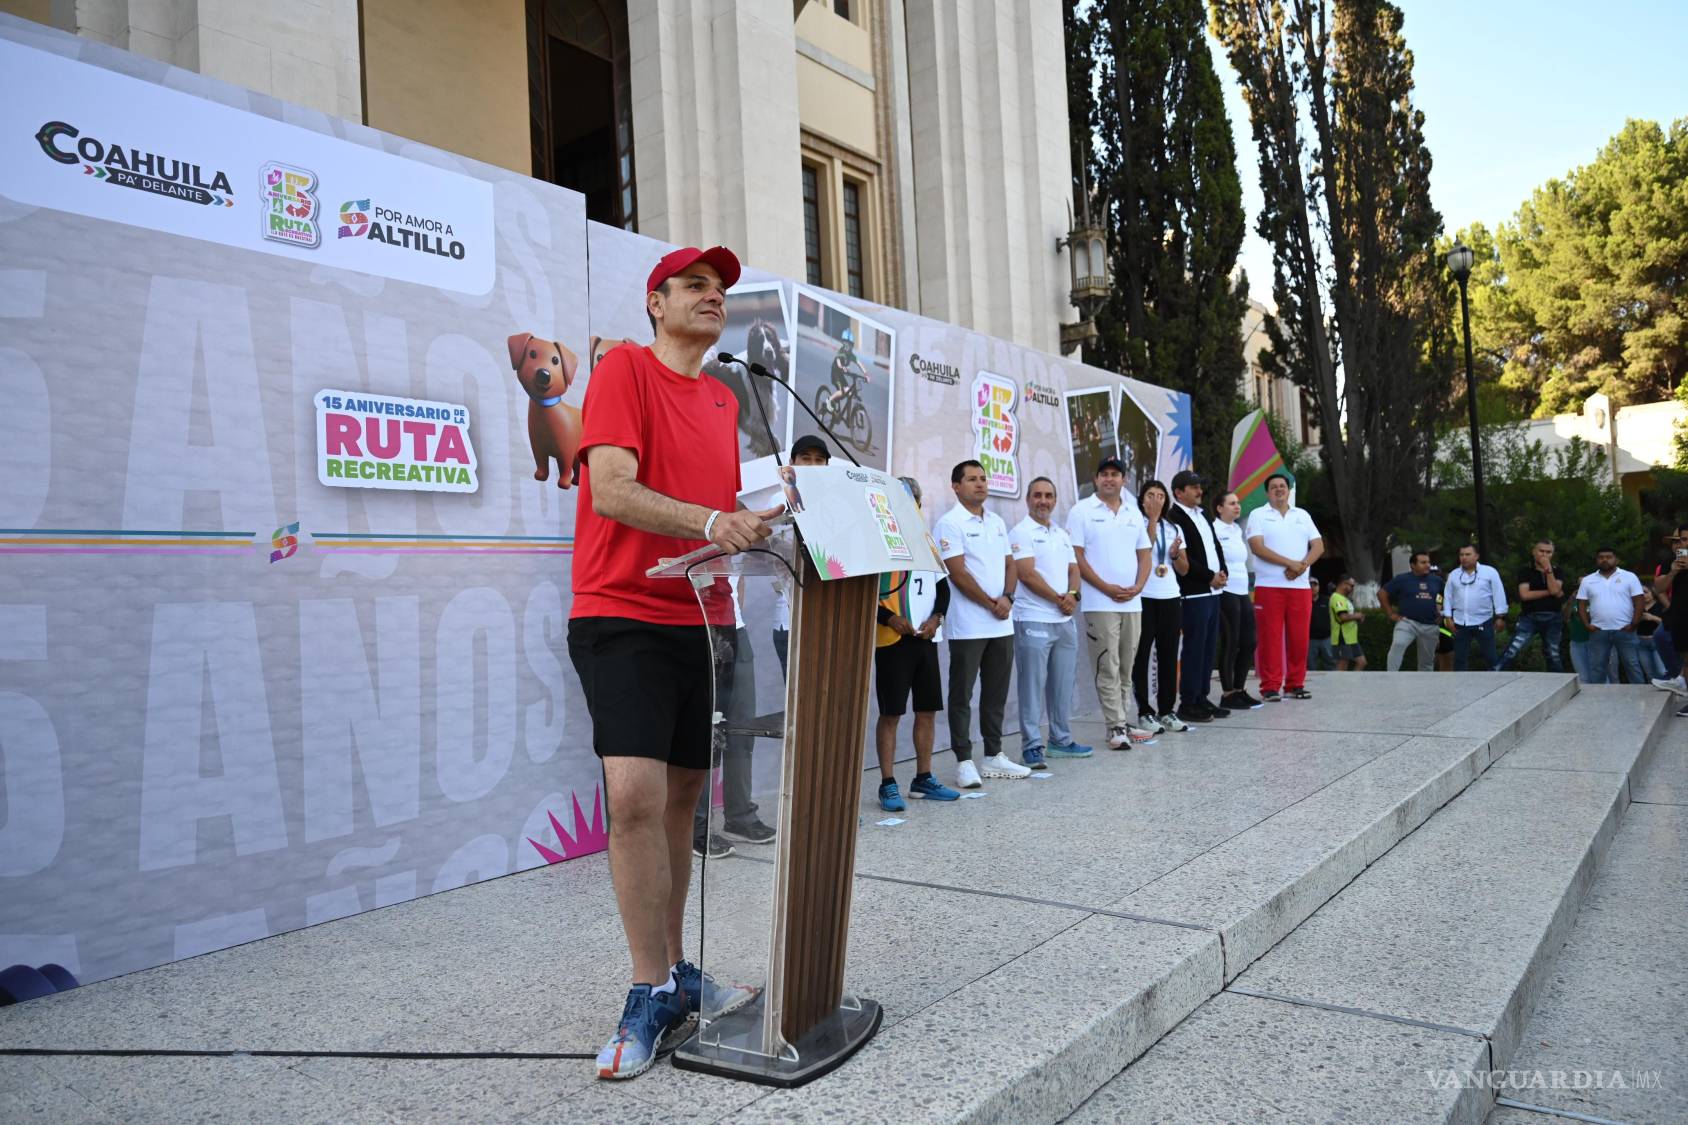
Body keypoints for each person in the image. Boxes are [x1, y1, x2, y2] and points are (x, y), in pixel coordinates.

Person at [566, 246, 777, 1080]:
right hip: (620, 613)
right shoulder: (624, 369)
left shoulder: (724, 397)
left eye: (720, 288)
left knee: (683, 802)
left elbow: (714, 514)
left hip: (703, 616)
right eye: (694, 285)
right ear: (655, 303)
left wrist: (756, 521)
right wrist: (710, 521)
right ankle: (646, 985)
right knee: (633, 796)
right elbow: (612, 488)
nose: (712, 296)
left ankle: (678, 972)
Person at [937, 460, 1031, 786]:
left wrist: (1008, 597)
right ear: (956, 487)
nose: (980, 484)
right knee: (962, 695)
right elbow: (958, 573)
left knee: (995, 693)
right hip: (969, 625)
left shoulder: (997, 522)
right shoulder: (949, 523)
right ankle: (964, 760)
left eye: (983, 478)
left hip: (1002, 623)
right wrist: (992, 603)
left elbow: (1010, 564)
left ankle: (993, 755)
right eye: (972, 479)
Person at [873, 477, 963, 811]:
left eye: (911, 497)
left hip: (925, 639)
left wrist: (937, 618)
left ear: (919, 502)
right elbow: (864, 594)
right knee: (891, 714)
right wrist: (889, 618)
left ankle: (923, 779)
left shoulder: (926, 540)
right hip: (892, 640)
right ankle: (887, 784)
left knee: (927, 710)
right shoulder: (877, 540)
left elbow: (943, 588)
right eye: (899, 498)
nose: (907, 503)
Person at [1068, 457, 1156, 748]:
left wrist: (1139, 586)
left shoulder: (1133, 513)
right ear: (1096, 479)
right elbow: (1076, 556)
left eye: (1114, 474)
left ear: (1123, 480)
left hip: (1132, 602)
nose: (1109, 479)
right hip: (1099, 602)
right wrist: (1105, 587)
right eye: (1103, 474)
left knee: (1126, 668)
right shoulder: (1081, 511)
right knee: (1108, 665)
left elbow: (1144, 555)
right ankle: (1115, 726)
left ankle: (1123, 722)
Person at [1010, 477, 1095, 766]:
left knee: (1062, 685)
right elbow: (1026, 574)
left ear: (1055, 500)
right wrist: (1060, 599)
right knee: (1032, 686)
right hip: (1033, 618)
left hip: (1064, 620)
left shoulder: (1061, 533)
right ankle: (1032, 745)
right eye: (1037, 495)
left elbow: (1074, 569)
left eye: (1048, 496)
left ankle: (1060, 740)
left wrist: (1073, 595)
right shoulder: (1020, 532)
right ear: (1028, 500)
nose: (1043, 501)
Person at [691, 577, 775, 860]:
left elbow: (738, 579)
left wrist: (733, 613)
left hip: (735, 628)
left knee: (741, 730)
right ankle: (697, 828)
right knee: (705, 734)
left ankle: (740, 816)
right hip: (698, 628)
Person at [1245, 472, 1324, 700]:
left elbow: (1318, 546)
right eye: (1274, 487)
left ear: (1288, 490)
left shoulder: (1302, 515)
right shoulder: (1258, 515)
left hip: (1300, 587)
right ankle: (1270, 686)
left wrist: (1301, 566)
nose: (1279, 489)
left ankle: (1294, 684)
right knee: (1270, 638)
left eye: (1283, 486)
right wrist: (1290, 563)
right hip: (1269, 586)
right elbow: (1257, 548)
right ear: (1267, 492)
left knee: (1299, 638)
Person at [1166, 470, 1231, 722]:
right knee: (1194, 648)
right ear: (1179, 492)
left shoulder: (1203, 514)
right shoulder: (1174, 518)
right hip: (1193, 593)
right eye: (1193, 487)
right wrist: (1209, 577)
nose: (1199, 491)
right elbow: (1185, 559)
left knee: (1208, 647)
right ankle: (1188, 702)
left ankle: (1202, 697)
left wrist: (1222, 571)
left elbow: (1215, 546)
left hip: (1213, 590)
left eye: (1199, 486)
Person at [770, 435, 832, 676]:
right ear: (792, 462)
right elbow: (777, 553)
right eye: (806, 458)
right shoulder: (779, 500)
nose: (813, 465)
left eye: (819, 460)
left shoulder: (835, 501)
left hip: (831, 618)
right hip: (792, 620)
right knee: (799, 694)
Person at [1133, 480, 1189, 730]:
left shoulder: (1174, 527)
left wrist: (1175, 555)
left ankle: (1167, 710)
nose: (1155, 500)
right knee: (1141, 655)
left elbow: (1184, 569)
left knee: (1168, 654)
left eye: (1160, 496)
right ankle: (1145, 711)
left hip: (1170, 595)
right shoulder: (1136, 523)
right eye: (1150, 495)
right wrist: (1153, 520)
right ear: (1141, 499)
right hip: (1144, 596)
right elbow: (1143, 552)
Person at [1211, 491, 1262, 709]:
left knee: (1249, 641)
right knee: (1230, 642)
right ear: (1219, 508)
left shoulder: (1236, 529)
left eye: (1238, 503)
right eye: (1231, 503)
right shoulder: (1213, 529)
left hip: (1242, 591)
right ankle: (1228, 693)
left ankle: (1240, 689)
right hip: (1226, 591)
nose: (1237, 506)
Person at [1576, 547, 1646, 684]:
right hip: (1598, 631)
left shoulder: (1629, 577)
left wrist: (1634, 623)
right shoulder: (1588, 580)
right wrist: (1586, 624)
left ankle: (1641, 694)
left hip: (1625, 629)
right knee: (1597, 667)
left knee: (1632, 665)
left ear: (1616, 560)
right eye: (1601, 557)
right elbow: (1581, 604)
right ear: (1597, 560)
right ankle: (1597, 695)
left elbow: (1639, 600)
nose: (1604, 560)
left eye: (1609, 557)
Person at [1496, 540, 1566, 672]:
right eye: (1541, 551)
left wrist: (1549, 571)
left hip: (1553, 617)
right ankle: (1496, 674)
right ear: (1534, 552)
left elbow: (1555, 590)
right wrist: (1551, 592)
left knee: (1553, 653)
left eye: (1548, 552)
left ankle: (1558, 680)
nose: (1544, 555)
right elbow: (1525, 595)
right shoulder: (1525, 571)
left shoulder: (1558, 571)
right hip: (1529, 617)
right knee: (1513, 649)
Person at [1443, 545, 1509, 671]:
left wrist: (1501, 617)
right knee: (1459, 659)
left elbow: (1498, 594)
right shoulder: (1454, 574)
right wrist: (1448, 617)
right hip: (1460, 622)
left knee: (1491, 657)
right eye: (1461, 555)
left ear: (1476, 556)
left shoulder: (1489, 572)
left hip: (1483, 621)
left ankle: (1496, 680)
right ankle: (1459, 682)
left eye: (1468, 554)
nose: (1464, 557)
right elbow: (1448, 596)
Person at [1379, 552, 1444, 672]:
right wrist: (1390, 613)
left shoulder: (1437, 580)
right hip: (1407, 622)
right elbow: (1382, 593)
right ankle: (1390, 676)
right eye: (1423, 562)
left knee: (1427, 661)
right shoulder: (1402, 579)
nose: (1427, 565)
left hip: (1430, 625)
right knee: (1398, 644)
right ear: (1413, 565)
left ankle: (1424, 683)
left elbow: (1445, 595)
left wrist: (1441, 610)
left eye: (1428, 562)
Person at [1650, 524, 1688, 697]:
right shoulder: (1672, 561)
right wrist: (1673, 572)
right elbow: (1658, 588)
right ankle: (1680, 680)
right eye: (1683, 539)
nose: (1684, 544)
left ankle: (1680, 680)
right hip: (1681, 613)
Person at [824, 327, 868, 413]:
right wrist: (842, 367)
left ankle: (836, 404)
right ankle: (829, 400)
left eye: (850, 344)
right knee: (842, 392)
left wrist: (866, 374)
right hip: (835, 374)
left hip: (841, 374)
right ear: (843, 343)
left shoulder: (851, 355)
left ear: (852, 345)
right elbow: (838, 361)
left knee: (848, 392)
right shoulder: (841, 352)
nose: (847, 346)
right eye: (845, 343)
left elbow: (859, 363)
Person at [1329, 574, 1366, 670]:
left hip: (1351, 638)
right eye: (1351, 585)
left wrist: (1357, 617)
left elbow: (1348, 616)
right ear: (1343, 584)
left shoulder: (1345, 599)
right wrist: (1357, 616)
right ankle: (1339, 681)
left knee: (1361, 662)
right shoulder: (1337, 598)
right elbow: (1343, 617)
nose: (1352, 588)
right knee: (1343, 664)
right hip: (1342, 637)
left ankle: (1352, 680)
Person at [1308, 577, 1336, 671]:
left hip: (1327, 639)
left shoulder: (1327, 600)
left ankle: (1332, 680)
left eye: (1315, 585)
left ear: (1319, 587)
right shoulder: (1303, 601)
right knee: (1310, 666)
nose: (1312, 587)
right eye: (1310, 585)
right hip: (1310, 640)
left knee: (1331, 664)